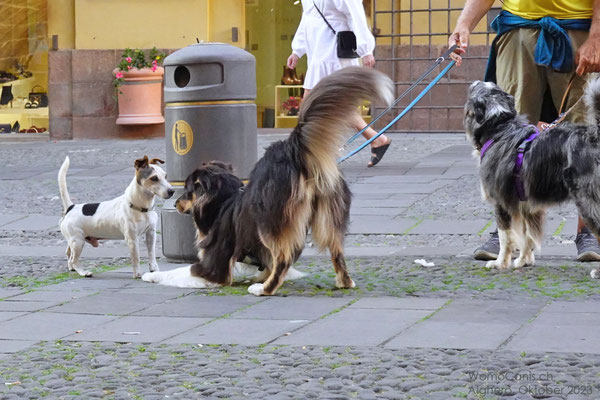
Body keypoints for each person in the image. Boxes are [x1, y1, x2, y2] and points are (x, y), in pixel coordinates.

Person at [449, 0, 600, 261]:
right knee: (506, 139)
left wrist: (597, 36)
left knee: (586, 138)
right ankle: (507, 229)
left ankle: (588, 229)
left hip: (578, 29)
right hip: (518, 31)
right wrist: (463, 24)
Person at [287, 0, 392, 167]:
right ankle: (375, 139)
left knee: (311, 102)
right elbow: (307, 17)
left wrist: (365, 49)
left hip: (333, 52)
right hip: (319, 51)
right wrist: (297, 50)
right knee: (333, 104)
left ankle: (312, 152)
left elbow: (355, 14)